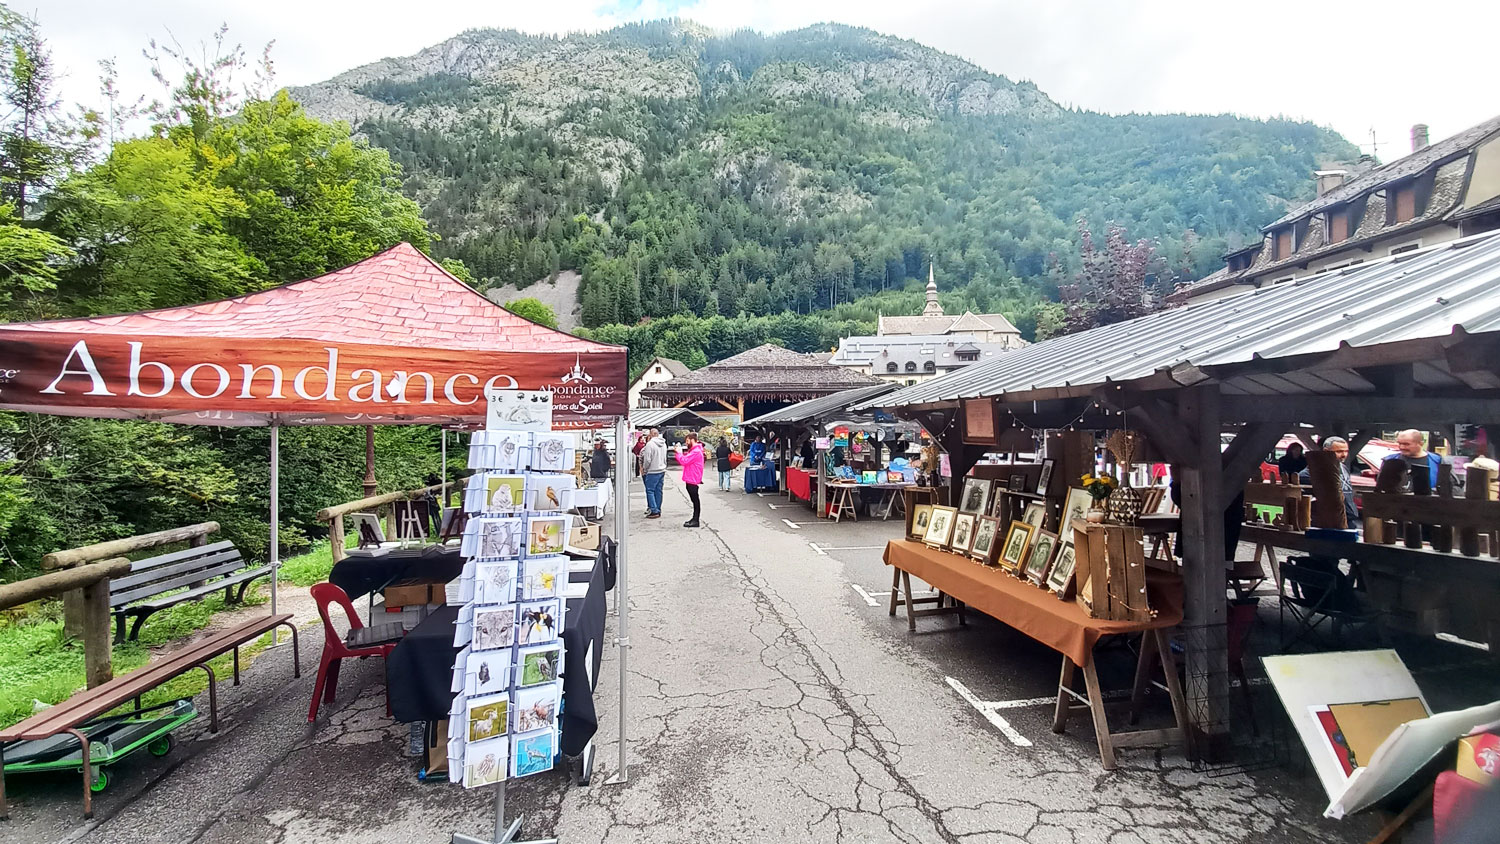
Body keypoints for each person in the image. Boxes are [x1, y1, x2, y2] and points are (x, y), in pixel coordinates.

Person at [1320, 437, 1360, 528]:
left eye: (1346, 451)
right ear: (1326, 451)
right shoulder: (1316, 471)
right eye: (1339, 451)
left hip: (1349, 517)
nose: (1344, 455)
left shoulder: (1343, 467)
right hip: (1331, 520)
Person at [1389, 428, 1445, 493]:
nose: (1401, 447)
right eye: (1399, 443)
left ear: (1421, 444)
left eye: (1406, 444)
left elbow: (1450, 488)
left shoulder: (1438, 461)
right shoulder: (1390, 461)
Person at [676, 433, 705, 527]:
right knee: (694, 499)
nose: (686, 443)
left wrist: (679, 453)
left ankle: (696, 520)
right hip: (691, 476)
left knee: (695, 500)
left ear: (692, 440)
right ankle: (694, 519)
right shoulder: (695, 450)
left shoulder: (696, 451)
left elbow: (684, 461)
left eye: (687, 441)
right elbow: (687, 460)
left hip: (693, 477)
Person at [640, 428, 666, 519]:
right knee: (659, 491)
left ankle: (654, 510)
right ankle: (658, 509)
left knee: (650, 490)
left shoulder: (649, 444)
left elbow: (647, 459)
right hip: (661, 470)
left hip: (652, 471)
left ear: (650, 435)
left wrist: (645, 469)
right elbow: (665, 457)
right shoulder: (663, 444)